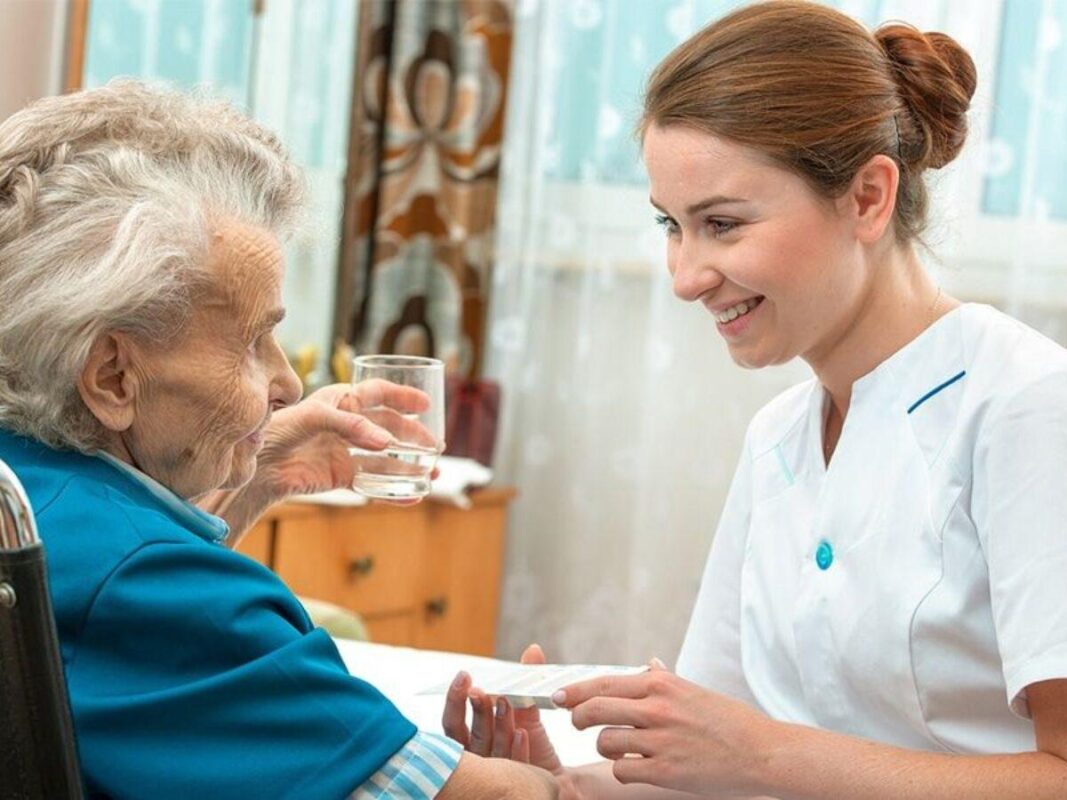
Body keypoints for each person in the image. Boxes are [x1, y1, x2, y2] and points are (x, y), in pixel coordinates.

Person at [442, 1, 1067, 797]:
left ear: (869, 197)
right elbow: (714, 761)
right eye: (672, 225)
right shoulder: (779, 437)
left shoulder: (1025, 408)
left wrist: (764, 754)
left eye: (723, 224)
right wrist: (560, 786)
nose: (684, 276)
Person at [0, 81, 557, 800]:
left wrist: (254, 476)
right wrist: (543, 780)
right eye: (252, 340)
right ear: (112, 376)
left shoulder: (34, 502)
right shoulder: (154, 590)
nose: (287, 384)